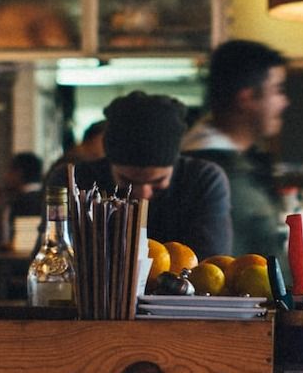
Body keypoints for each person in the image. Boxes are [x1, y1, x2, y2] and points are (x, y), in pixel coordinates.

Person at [45, 90, 232, 260]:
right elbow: (54, 255)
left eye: (158, 181)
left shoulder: (203, 180)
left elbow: (209, 262)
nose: (144, 193)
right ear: (109, 163)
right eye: (128, 181)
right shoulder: (74, 181)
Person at [181, 39, 289, 261]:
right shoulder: (217, 172)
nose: (284, 102)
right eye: (277, 90)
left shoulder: (226, 163)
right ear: (246, 98)